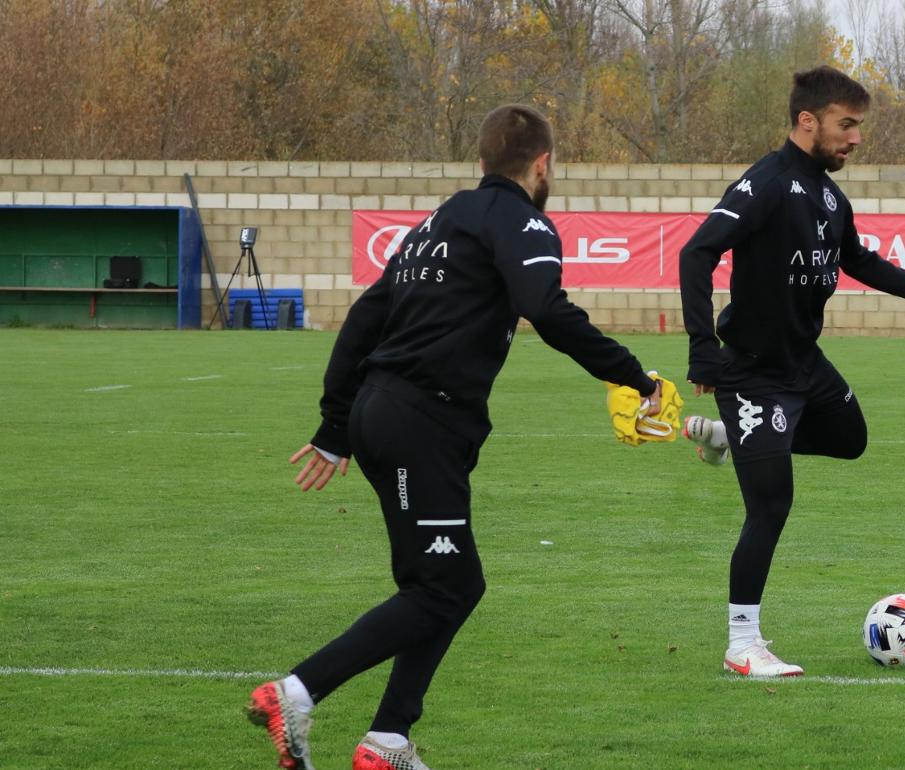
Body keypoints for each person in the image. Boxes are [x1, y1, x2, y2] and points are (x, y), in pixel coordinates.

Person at [246, 104, 661, 770]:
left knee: (454, 583)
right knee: (438, 588)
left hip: (386, 415)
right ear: (543, 164)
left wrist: (333, 426)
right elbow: (547, 310)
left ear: (480, 162)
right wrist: (633, 376)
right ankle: (295, 693)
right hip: (421, 424)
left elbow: (363, 321)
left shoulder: (435, 223)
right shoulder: (523, 220)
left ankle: (388, 740)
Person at [678, 66, 905, 678]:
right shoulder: (765, 183)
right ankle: (742, 644)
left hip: (803, 364)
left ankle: (732, 440)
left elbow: (860, 261)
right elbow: (695, 252)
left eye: (858, 126)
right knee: (772, 504)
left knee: (850, 439)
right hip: (752, 371)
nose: (855, 138)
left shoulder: (829, 196)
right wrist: (702, 350)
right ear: (807, 121)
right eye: (847, 124)